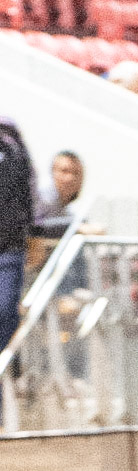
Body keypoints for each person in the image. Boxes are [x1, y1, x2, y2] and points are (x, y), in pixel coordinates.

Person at [0, 110, 34, 354]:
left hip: (9, 246)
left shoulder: (10, 137)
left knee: (5, 311)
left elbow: (29, 188)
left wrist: (35, 233)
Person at [33, 150, 83, 235]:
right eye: (64, 171)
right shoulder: (41, 198)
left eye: (76, 173)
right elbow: (32, 227)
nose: (70, 178)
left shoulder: (70, 209)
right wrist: (76, 228)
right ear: (52, 173)